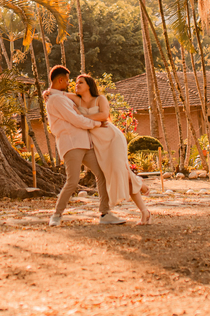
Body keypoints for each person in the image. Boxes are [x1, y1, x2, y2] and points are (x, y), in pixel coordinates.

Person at [47, 73, 152, 225]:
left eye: (80, 82)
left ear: (89, 85)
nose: (75, 85)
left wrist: (87, 119)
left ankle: (106, 213)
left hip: (110, 137)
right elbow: (62, 97)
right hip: (90, 141)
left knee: (113, 171)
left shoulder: (99, 99)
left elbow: (104, 115)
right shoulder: (71, 100)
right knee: (77, 179)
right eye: (74, 82)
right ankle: (56, 215)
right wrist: (48, 91)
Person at [44, 65, 124, 227]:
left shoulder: (59, 96)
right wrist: (96, 123)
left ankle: (105, 213)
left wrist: (48, 91)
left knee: (101, 174)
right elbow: (76, 120)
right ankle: (56, 215)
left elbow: (73, 99)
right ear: (60, 80)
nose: (69, 84)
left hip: (84, 143)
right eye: (67, 81)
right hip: (71, 144)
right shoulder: (56, 100)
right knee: (72, 181)